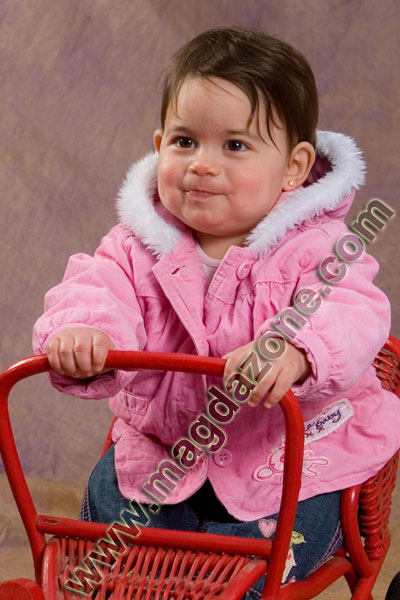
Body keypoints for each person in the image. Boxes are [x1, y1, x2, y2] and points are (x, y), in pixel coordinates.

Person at [33, 27, 400, 595]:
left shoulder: (317, 247)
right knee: (112, 533)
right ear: (159, 145)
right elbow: (97, 286)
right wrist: (84, 330)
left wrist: (298, 350)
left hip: (285, 456)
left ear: (294, 167)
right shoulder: (134, 245)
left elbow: (354, 309)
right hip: (168, 448)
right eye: (185, 141)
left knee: (261, 557)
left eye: (235, 146)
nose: (202, 164)